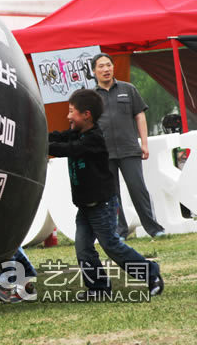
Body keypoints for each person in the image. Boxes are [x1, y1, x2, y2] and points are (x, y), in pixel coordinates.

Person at [48, 89, 163, 298]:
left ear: (86, 115)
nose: (67, 116)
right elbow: (57, 137)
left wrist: (41, 146)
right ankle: (99, 288)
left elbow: (68, 149)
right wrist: (36, 136)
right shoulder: (76, 133)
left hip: (103, 205)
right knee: (83, 249)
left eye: (71, 112)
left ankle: (152, 273)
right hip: (85, 206)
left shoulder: (94, 138)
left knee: (111, 245)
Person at [91, 53, 165, 239]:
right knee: (111, 195)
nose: (106, 69)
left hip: (129, 149)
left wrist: (144, 143)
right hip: (103, 153)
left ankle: (154, 229)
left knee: (138, 188)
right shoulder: (91, 97)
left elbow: (139, 116)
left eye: (109, 65)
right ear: (94, 71)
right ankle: (119, 231)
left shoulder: (128, 89)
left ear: (113, 67)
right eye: (101, 66)